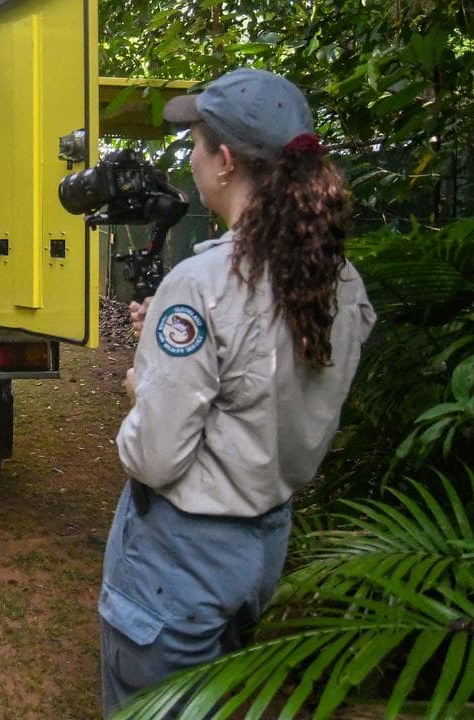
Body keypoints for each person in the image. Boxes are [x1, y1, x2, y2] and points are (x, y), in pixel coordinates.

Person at [98, 68, 377, 715]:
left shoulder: (202, 283)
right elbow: (277, 385)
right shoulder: (339, 277)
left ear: (224, 161)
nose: (190, 158)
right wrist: (169, 351)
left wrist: (145, 384)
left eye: (194, 144)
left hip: (182, 554)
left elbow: (156, 456)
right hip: (262, 544)